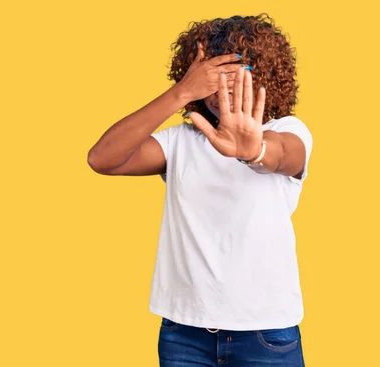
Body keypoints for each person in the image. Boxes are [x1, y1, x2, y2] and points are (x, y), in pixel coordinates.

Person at [87, 13, 312, 367]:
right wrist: (181, 93)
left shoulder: (288, 129)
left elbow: (285, 154)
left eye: (235, 78)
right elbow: (102, 158)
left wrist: (254, 150)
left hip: (265, 333)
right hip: (185, 334)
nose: (223, 90)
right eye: (212, 79)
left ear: (264, 77)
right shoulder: (180, 141)